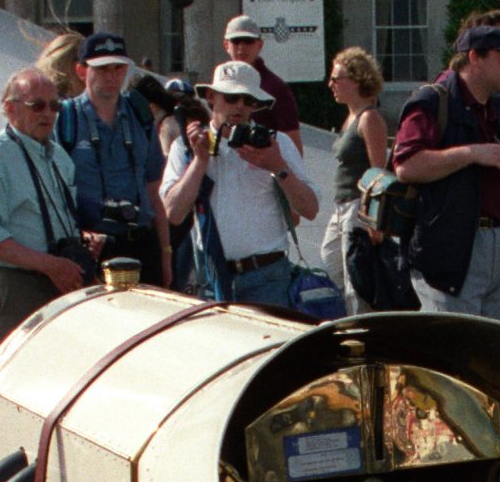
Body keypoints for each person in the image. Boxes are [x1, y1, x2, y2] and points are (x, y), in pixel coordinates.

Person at [393, 23, 500, 319]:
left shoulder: (499, 107)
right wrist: (472, 153)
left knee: (489, 344)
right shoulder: (432, 101)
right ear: (474, 57)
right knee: (455, 343)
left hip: (498, 238)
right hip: (450, 245)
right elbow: (406, 165)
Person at [162, 62, 318, 310]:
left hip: (267, 276)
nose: (240, 106)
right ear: (211, 97)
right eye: (232, 97)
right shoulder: (187, 146)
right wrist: (200, 161)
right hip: (212, 273)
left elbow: (310, 209)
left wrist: (278, 166)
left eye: (248, 100)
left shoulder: (275, 143)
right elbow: (173, 213)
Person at [0, 66, 100, 341]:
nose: (48, 113)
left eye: (54, 106)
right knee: (22, 364)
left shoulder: (59, 157)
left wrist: (82, 240)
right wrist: (49, 265)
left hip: (61, 279)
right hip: (17, 282)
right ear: (10, 108)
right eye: (37, 105)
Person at [56, 32, 169, 285]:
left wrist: (166, 252)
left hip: (141, 241)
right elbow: (56, 192)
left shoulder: (140, 115)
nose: (111, 76)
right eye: (102, 68)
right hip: (91, 244)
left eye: (118, 68)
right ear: (81, 71)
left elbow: (154, 192)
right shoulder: (66, 118)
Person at [320, 47, 388, 311]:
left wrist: (374, 219)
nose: (331, 85)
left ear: (357, 80)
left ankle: (360, 324)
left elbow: (378, 173)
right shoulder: (350, 118)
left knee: (355, 280)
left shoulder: (369, 118)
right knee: (330, 261)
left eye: (336, 79)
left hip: (358, 206)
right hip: (341, 206)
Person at [221, 15, 302, 137]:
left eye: (248, 41)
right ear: (226, 45)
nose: (241, 47)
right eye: (236, 41)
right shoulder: (220, 85)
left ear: (260, 45)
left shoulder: (276, 88)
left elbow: (293, 143)